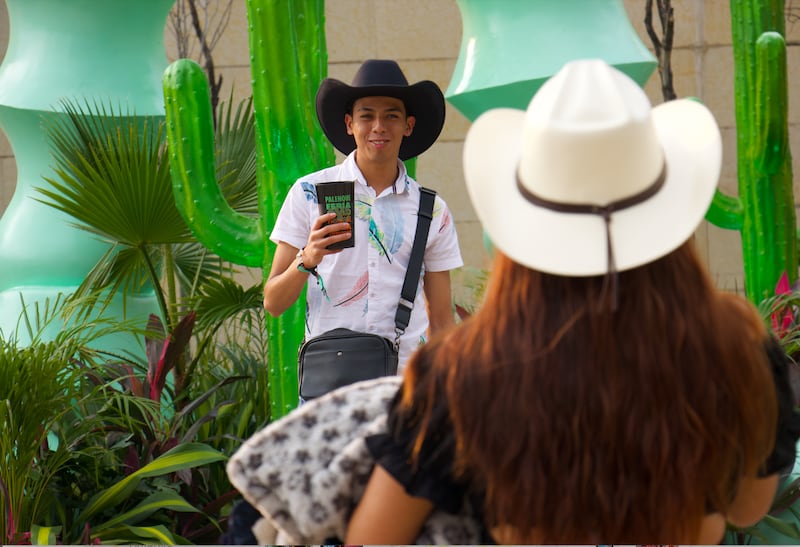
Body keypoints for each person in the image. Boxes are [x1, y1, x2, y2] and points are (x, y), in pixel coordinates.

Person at [344, 59, 800, 544]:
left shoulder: (462, 371)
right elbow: (749, 507)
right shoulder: (734, 346)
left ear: (524, 217)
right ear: (666, 208)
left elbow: (374, 538)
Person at [263, 59, 463, 373]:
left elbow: (441, 321)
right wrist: (308, 257)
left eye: (391, 116)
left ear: (408, 125)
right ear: (349, 124)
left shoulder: (432, 210)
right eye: (366, 116)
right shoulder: (310, 192)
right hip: (329, 385)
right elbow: (273, 302)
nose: (378, 127)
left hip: (405, 385)